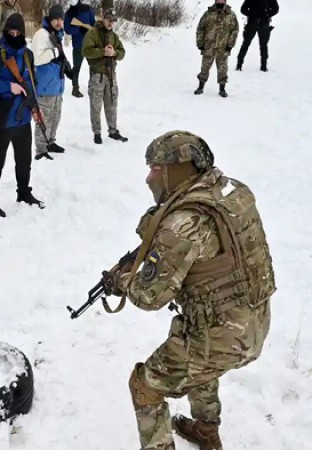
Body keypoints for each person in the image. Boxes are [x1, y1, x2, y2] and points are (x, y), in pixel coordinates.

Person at [104, 131, 275, 450]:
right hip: (255, 322)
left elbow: (150, 296)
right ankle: (206, 431)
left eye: (155, 169)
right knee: (193, 345)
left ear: (177, 169)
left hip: (222, 337)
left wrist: (122, 282)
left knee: (144, 385)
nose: (148, 178)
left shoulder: (182, 223)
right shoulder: (232, 192)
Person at [0, 13, 45, 219]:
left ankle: (23, 192)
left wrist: (35, 108)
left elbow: (31, 83)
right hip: (2, 118)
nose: (14, 36)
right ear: (5, 32)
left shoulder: (28, 55)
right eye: (11, 32)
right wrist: (8, 86)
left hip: (23, 118)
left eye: (18, 33)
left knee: (24, 160)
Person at [32, 4, 72, 157]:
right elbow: (36, 59)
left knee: (55, 116)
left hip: (56, 85)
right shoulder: (41, 35)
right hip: (45, 86)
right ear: (50, 19)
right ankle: (41, 149)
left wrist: (66, 67)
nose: (59, 22)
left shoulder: (56, 34)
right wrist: (55, 52)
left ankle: (50, 141)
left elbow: (59, 57)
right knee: (44, 118)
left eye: (61, 19)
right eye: (56, 19)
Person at [82, 9, 126, 144]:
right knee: (96, 105)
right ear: (103, 19)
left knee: (112, 103)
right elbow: (86, 51)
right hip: (97, 75)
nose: (110, 23)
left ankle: (113, 131)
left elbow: (122, 52)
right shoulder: (93, 33)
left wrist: (114, 53)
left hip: (111, 76)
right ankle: (97, 132)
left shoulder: (114, 36)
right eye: (108, 19)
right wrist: (102, 51)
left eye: (113, 20)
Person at [194, 0, 239, 97]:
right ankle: (200, 86)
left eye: (222, 0)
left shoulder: (230, 15)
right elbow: (200, 28)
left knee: (222, 69)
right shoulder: (208, 13)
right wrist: (200, 42)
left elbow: (234, 31)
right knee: (205, 67)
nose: (220, 1)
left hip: (223, 47)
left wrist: (230, 45)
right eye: (218, 0)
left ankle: (222, 89)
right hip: (209, 46)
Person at [64, 0, 95, 97]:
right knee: (76, 68)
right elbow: (67, 29)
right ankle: (75, 88)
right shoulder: (69, 14)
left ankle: (93, 87)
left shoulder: (87, 9)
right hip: (78, 45)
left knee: (94, 66)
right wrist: (78, 29)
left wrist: (89, 29)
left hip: (90, 44)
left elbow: (93, 23)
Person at [236, 0, 278, 72]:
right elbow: (243, 9)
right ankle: (239, 64)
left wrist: (267, 14)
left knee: (263, 45)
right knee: (246, 44)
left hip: (264, 24)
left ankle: (264, 66)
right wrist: (251, 14)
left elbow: (276, 9)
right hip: (251, 23)